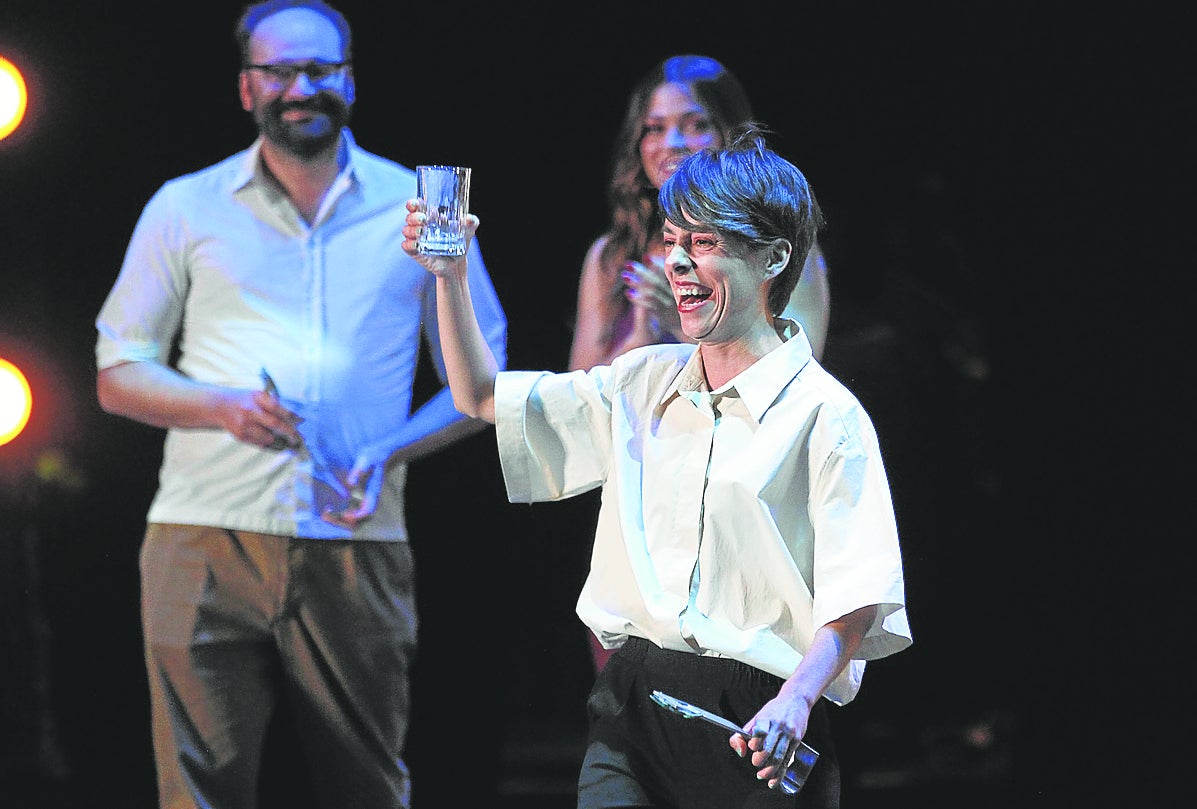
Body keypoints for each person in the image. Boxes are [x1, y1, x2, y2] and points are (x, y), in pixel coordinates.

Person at [402, 125, 911, 808]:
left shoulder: (823, 414)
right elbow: (481, 395)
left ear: (771, 259)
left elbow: (857, 591)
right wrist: (451, 275)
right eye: (673, 240)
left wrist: (794, 700)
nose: (677, 261)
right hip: (632, 705)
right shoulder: (642, 380)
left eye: (703, 243)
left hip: (757, 722)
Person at [93, 2, 507, 807]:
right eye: (280, 71)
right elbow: (117, 372)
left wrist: (387, 450)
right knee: (196, 791)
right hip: (201, 531)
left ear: (349, 79)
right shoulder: (185, 205)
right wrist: (221, 406)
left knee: (368, 786)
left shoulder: (418, 205)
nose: (300, 87)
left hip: (356, 536)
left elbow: (481, 381)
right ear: (247, 87)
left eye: (320, 69)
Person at [568, 55, 832, 670]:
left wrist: (693, 325)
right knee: (630, 712)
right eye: (655, 129)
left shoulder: (784, 251)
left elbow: (796, 387)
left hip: (746, 516)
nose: (671, 144)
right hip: (642, 511)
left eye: (693, 124)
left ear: (729, 135)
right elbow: (586, 397)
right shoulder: (613, 258)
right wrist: (644, 326)